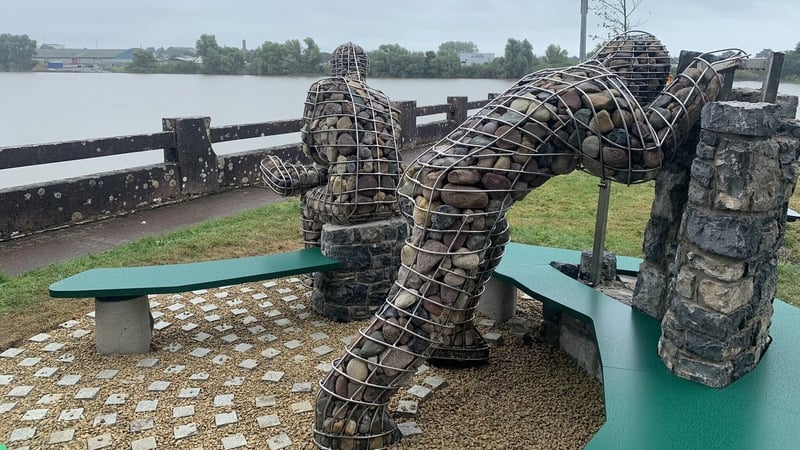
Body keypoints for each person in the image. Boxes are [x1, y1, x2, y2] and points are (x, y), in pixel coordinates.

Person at [313, 34, 742, 449]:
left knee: (487, 244)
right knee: (425, 301)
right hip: (456, 195)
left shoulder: (556, 77)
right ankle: (347, 406)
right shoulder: (600, 92)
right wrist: (699, 80)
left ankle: (452, 340)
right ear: (645, 78)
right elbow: (640, 159)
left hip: (429, 175)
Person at [262, 42, 403, 251]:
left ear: (334, 66)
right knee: (328, 181)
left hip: (346, 206)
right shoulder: (387, 102)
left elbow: (314, 150)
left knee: (308, 200)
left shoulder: (323, 89)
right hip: (393, 201)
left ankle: (313, 270)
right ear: (366, 68)